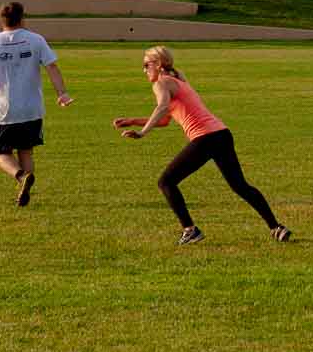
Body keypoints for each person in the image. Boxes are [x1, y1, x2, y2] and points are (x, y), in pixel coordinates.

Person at [113, 46, 291, 245]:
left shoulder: (161, 82)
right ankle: (276, 227)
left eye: (146, 65)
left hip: (205, 138)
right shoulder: (178, 79)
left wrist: (143, 132)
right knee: (240, 186)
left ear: (159, 64)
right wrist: (133, 121)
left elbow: (162, 106)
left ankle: (190, 230)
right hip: (222, 135)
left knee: (166, 182)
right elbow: (165, 120)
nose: (144, 69)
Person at [0, 2, 73, 207]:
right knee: (26, 151)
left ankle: (21, 177)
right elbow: (52, 67)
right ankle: (24, 188)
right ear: (22, 18)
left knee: (0, 152)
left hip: (5, 109)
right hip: (32, 109)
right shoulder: (36, 40)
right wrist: (62, 93)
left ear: (1, 20)